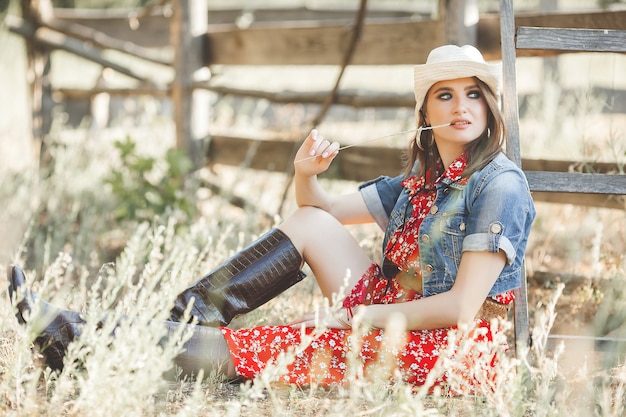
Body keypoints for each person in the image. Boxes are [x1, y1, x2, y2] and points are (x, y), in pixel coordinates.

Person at [7, 44, 535, 389]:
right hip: (389, 311)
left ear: (489, 108)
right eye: (445, 95)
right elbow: (319, 214)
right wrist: (305, 174)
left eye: (473, 95)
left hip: (444, 349)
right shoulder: (423, 181)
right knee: (308, 225)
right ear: (425, 115)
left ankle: (72, 336)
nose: (461, 106)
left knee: (263, 348)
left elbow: (464, 307)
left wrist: (356, 319)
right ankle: (186, 316)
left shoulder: (499, 185)